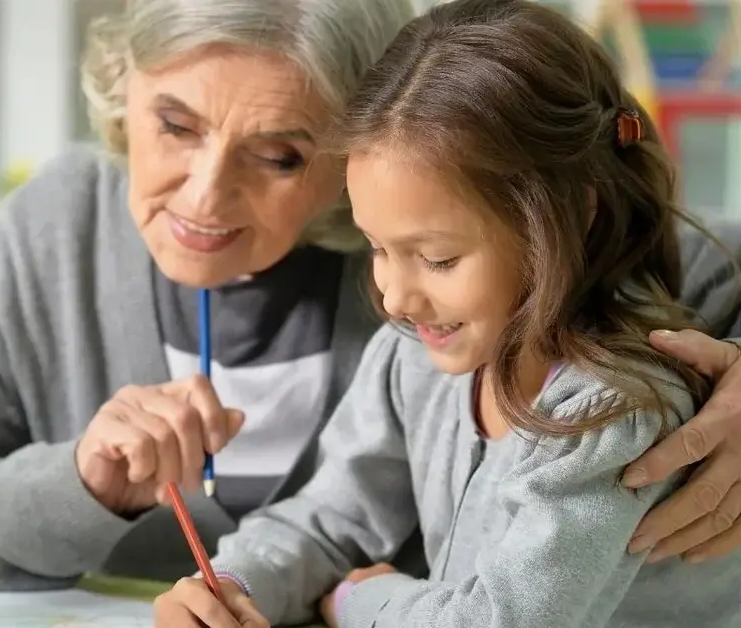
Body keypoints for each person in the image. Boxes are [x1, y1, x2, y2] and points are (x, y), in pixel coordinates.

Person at [0, 0, 741, 590]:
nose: (204, 198)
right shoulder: (55, 231)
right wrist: (79, 487)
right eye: (174, 125)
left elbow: (670, 237)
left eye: (279, 156)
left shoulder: (454, 239)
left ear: (364, 151)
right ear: (121, 92)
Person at [152, 1, 741, 627]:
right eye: (378, 248)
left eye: (437, 259)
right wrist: (232, 584)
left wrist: (359, 601)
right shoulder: (411, 356)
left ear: (574, 217)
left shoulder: (611, 410)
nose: (396, 299)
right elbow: (330, 518)